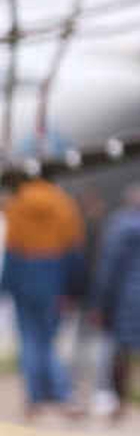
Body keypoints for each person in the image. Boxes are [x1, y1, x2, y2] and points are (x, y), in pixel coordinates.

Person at [1, 167, 81, 420]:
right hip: (52, 277)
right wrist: (72, 289)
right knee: (47, 341)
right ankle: (63, 394)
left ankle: (33, 399)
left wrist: (5, 288)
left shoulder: (16, 206)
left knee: (29, 341)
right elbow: (73, 252)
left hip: (24, 277)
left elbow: (12, 252)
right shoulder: (64, 205)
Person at [88, 183, 140, 423]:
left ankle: (121, 404)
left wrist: (100, 303)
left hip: (125, 298)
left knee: (121, 353)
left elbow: (108, 270)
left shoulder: (117, 227)